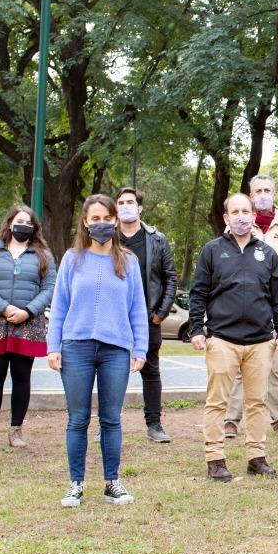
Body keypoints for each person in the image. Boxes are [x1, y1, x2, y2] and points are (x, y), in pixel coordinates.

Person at [48, 194, 149, 507]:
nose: (101, 224)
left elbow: (137, 308)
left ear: (115, 221)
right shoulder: (72, 259)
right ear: (85, 222)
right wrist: (53, 346)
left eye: (107, 218)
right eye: (95, 219)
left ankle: (111, 482)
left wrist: (140, 348)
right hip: (75, 348)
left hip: (115, 350)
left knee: (111, 419)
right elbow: (59, 305)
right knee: (78, 419)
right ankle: (75, 484)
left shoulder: (128, 262)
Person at [188, 193, 278, 482]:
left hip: (260, 342)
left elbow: (277, 298)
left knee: (257, 402)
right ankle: (215, 459)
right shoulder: (212, 250)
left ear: (254, 216)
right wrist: (196, 329)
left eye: (246, 211)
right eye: (235, 212)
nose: (241, 216)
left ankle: (256, 457)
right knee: (217, 402)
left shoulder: (267, 254)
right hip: (222, 339)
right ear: (226, 217)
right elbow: (199, 292)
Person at [222, 174, 278, 440]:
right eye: (257, 191)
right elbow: (226, 262)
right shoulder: (237, 224)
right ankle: (231, 420)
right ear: (250, 195)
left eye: (267, 190)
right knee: (238, 364)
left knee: (277, 367)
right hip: (242, 305)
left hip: (275, 306)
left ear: (274, 194)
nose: (262, 195)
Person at [0, 205, 56, 449]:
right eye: (19, 221)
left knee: (21, 376)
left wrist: (27, 311)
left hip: (28, 323)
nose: (23, 226)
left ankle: (16, 430)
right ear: (10, 223)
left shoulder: (43, 255)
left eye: (29, 223)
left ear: (34, 227)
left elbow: (50, 287)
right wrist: (4, 308)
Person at [115, 188, 178, 443]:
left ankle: (154, 425)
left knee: (151, 371)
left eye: (130, 202)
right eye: (121, 202)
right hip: (115, 318)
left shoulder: (156, 239)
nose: (126, 206)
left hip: (147, 318)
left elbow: (170, 277)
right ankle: (108, 423)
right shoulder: (108, 237)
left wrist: (161, 313)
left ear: (140, 207)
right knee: (111, 371)